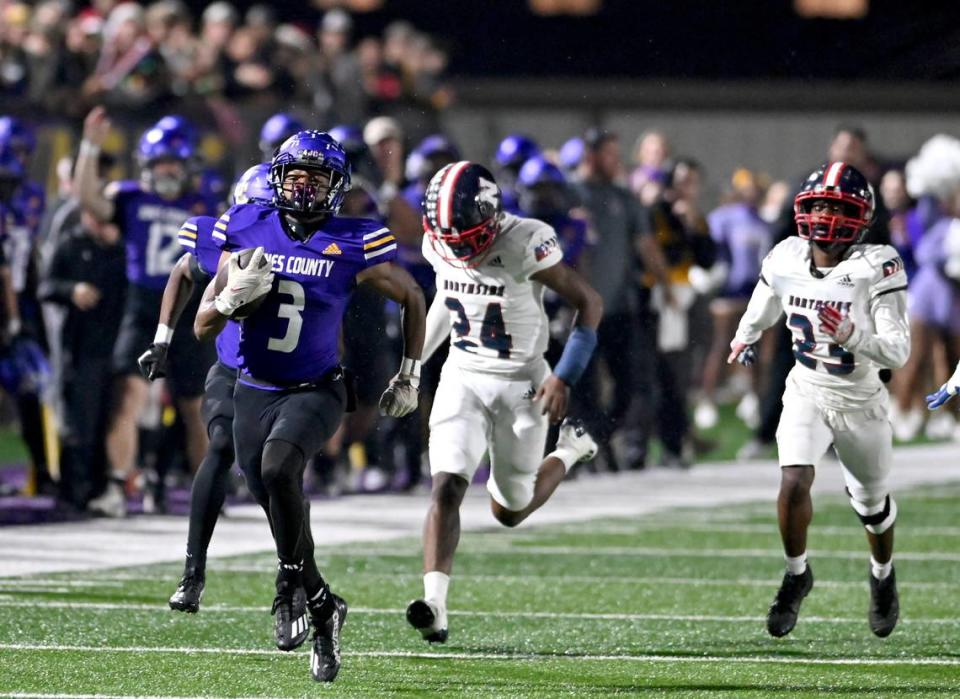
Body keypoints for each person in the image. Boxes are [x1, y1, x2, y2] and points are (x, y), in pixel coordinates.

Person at [194, 130, 426, 682]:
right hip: (253, 386)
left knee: (279, 470)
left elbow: (414, 295)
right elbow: (203, 324)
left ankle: (289, 582)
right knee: (275, 494)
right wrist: (228, 298)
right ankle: (320, 603)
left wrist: (409, 373)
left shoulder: (355, 239)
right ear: (276, 177)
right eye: (295, 175)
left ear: (337, 187)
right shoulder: (247, 226)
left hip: (318, 387)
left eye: (316, 178)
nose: (302, 186)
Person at [405, 161, 603, 644]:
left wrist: (564, 374)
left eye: (464, 234)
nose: (455, 245)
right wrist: (411, 369)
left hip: (522, 383)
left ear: (490, 217)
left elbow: (589, 302)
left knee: (509, 510)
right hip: (463, 376)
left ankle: (570, 450)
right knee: (446, 487)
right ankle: (435, 603)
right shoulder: (441, 240)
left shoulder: (524, 240)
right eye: (445, 236)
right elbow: (445, 301)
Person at [729, 162, 908, 639]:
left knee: (870, 505)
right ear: (803, 210)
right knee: (792, 481)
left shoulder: (877, 266)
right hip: (807, 388)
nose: (827, 215)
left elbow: (899, 351)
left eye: (838, 206)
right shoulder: (786, 255)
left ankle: (882, 575)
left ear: (860, 216)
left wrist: (851, 333)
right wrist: (744, 335)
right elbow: (764, 302)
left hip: (861, 400)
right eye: (820, 205)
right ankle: (796, 574)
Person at [135, 163, 272, 612]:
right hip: (233, 368)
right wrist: (161, 338)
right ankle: (192, 572)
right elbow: (184, 270)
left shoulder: (305, 245)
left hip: (282, 381)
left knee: (272, 475)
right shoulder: (222, 240)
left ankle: (295, 568)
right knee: (218, 448)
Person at [73, 107, 217, 517]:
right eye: (160, 162)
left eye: (174, 162)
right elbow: (90, 201)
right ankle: (120, 486)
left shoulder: (206, 201)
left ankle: (204, 492)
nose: (167, 170)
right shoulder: (131, 196)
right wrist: (89, 148)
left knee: (196, 408)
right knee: (127, 398)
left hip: (191, 310)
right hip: (142, 308)